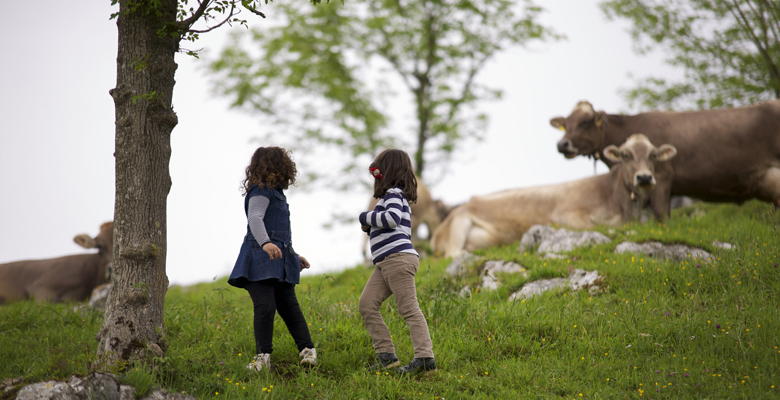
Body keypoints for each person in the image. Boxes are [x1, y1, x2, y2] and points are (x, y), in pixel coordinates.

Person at [228, 146, 316, 372]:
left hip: (279, 261)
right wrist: (266, 243)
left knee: (289, 306)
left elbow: (280, 232)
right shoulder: (260, 191)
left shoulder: (278, 195)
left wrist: (293, 256)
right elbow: (255, 218)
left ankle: (307, 350)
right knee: (265, 306)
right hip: (257, 260)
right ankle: (262, 357)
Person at [358, 149, 436, 374]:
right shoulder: (389, 197)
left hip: (398, 260)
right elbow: (389, 222)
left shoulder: (393, 194)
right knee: (367, 304)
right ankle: (386, 355)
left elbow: (390, 220)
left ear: (389, 170)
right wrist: (371, 224)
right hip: (385, 262)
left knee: (409, 309)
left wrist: (365, 217)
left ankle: (424, 358)